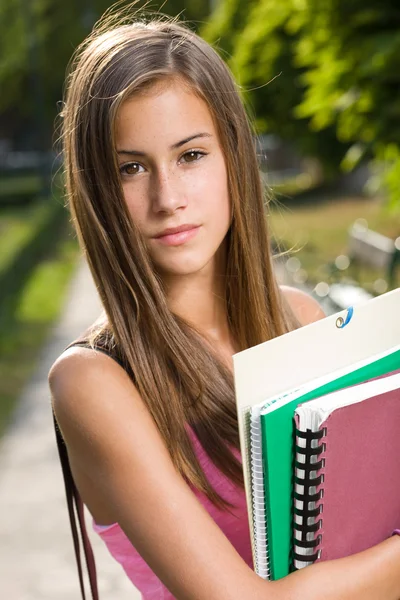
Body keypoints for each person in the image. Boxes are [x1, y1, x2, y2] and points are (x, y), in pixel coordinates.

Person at [48, 8, 400, 600]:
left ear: (233, 156)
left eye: (191, 156)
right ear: (97, 188)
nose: (168, 197)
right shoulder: (94, 382)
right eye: (131, 168)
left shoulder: (298, 322)